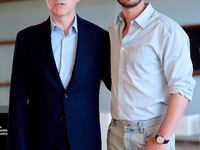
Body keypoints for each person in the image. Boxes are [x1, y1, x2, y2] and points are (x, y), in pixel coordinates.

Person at [7, 0, 111, 150]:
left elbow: (118, 86)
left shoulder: (99, 37)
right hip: (40, 141)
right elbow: (17, 100)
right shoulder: (27, 38)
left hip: (85, 141)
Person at [107, 0, 196, 150]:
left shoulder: (168, 30)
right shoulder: (112, 30)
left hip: (152, 134)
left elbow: (182, 89)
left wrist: (161, 139)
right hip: (116, 132)